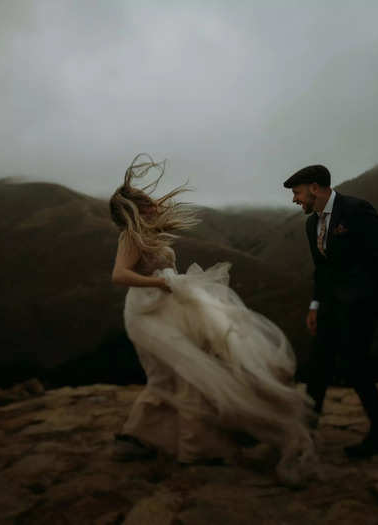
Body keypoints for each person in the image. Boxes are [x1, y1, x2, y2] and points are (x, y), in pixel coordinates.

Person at [109, 154, 317, 485]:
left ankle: (136, 438)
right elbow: (119, 275)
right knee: (188, 373)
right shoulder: (131, 237)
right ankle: (196, 451)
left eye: (150, 203)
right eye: (145, 205)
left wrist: (176, 288)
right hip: (144, 314)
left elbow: (166, 273)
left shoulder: (153, 237)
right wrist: (161, 283)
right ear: (133, 211)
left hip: (167, 309)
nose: (153, 207)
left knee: (168, 377)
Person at [283, 164, 378, 459]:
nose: (295, 200)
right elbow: (322, 270)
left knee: (356, 365)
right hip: (331, 304)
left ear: (315, 188)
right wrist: (315, 304)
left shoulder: (357, 210)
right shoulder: (311, 224)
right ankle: (307, 432)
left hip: (363, 302)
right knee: (319, 365)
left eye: (297, 193)